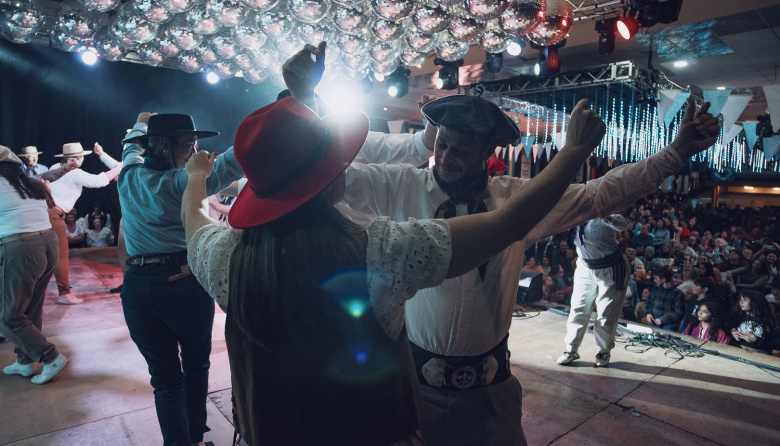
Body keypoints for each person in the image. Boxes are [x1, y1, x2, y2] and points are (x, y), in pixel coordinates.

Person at [180, 86, 605, 445]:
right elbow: (508, 223)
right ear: (329, 178)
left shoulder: (223, 258)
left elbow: (193, 219)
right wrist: (572, 153)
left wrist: (196, 174)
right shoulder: (381, 252)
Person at [335, 74, 720, 442]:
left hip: (491, 394)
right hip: (415, 387)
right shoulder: (400, 186)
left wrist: (676, 152)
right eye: (442, 145)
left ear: (488, 153)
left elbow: (599, 195)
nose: (446, 157)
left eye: (461, 150)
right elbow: (332, 178)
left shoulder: (516, 198)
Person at [118, 110, 244, 446]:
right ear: (162, 145)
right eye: (188, 145)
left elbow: (129, 148)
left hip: (137, 287)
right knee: (196, 364)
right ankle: (197, 440)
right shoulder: (182, 183)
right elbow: (236, 160)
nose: (194, 152)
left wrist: (142, 120)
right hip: (182, 281)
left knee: (165, 380)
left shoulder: (128, 174)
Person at [0, 145, 69, 384]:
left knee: (6, 316)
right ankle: (24, 362)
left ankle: (50, 357)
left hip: (21, 248)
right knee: (30, 308)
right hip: (48, 244)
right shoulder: (29, 184)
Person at [47, 142, 122, 305]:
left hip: (45, 212)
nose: (80, 160)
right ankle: (64, 293)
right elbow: (98, 181)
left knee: (47, 254)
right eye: (79, 157)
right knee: (61, 254)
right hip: (53, 213)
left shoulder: (55, 166)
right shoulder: (74, 172)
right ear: (77, 158)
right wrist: (121, 166)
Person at [557, 214, 629, 367]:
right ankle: (571, 349)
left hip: (610, 268)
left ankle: (604, 351)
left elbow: (622, 224)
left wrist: (606, 217)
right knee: (578, 308)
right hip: (585, 266)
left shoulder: (603, 214)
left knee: (605, 313)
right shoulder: (575, 215)